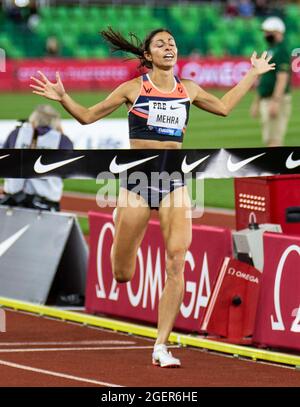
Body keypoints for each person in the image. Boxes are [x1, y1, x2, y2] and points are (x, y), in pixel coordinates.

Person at [30, 27, 274, 367]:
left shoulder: (187, 89)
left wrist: (252, 73)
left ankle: (161, 345)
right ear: (148, 55)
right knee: (122, 274)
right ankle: (120, 224)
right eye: (160, 44)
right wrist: (64, 98)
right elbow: (87, 117)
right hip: (137, 181)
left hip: (175, 180)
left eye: (172, 42)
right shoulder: (133, 88)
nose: (168, 46)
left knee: (176, 261)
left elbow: (224, 107)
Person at [0, 104, 73, 211]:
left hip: (12, 199)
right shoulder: (62, 140)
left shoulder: (16, 133)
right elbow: (68, 171)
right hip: (45, 203)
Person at [250, 16, 291, 147]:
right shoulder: (269, 49)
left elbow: (282, 77)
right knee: (269, 139)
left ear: (278, 32)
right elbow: (262, 78)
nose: (266, 34)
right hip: (266, 98)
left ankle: (275, 168)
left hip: (274, 99)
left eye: (268, 32)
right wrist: (256, 101)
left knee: (274, 141)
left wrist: (276, 101)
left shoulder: (282, 50)